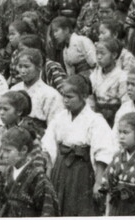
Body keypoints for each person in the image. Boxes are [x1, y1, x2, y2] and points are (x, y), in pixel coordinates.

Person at [41, 75, 115, 216]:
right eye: (64, 96)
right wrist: (49, 172)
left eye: (70, 97)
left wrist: (99, 182)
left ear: (83, 96)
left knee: (79, 208)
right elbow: (48, 144)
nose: (66, 100)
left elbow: (102, 152)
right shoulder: (60, 117)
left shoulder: (95, 120)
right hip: (61, 168)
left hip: (82, 171)